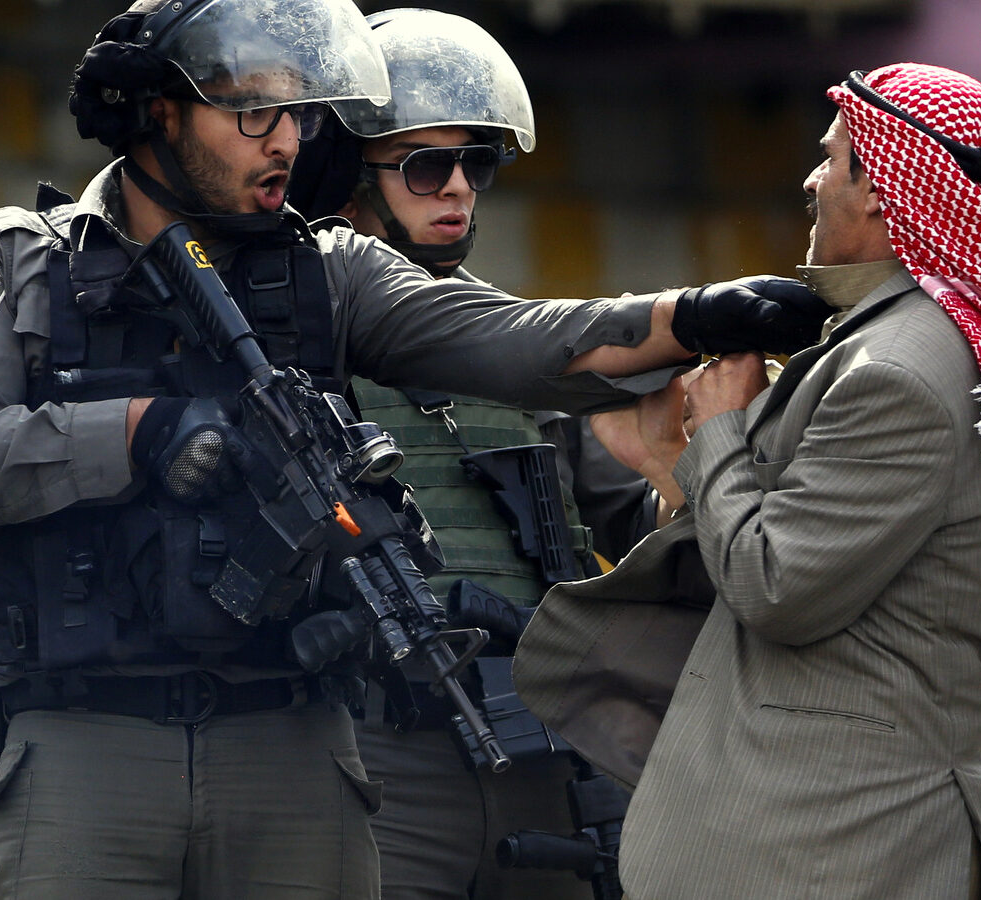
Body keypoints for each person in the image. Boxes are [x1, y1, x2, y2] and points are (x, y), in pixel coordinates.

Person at [0, 1, 828, 897]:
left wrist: (697, 314)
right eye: (254, 110)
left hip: (293, 739)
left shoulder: (329, 270)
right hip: (87, 741)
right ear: (159, 112)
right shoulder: (19, 263)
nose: (287, 141)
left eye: (296, 114)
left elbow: (527, 341)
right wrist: (142, 432)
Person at [514, 63, 981, 900]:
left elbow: (779, 585)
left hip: (840, 845)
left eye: (831, 160)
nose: (811, 179)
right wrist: (670, 461)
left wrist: (722, 427)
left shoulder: (898, 372)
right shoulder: (912, 346)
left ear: (881, 189)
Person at [286, 10, 654, 899]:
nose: (458, 189)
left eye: (475, 164)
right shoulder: (284, 346)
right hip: (375, 754)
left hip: (540, 752)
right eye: (425, 165)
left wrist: (698, 464)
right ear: (346, 169)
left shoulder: (521, 348)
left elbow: (640, 528)